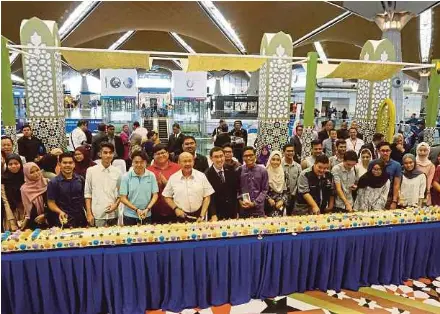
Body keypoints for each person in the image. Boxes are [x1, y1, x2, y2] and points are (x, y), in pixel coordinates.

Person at [163, 152, 214, 222]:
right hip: (181, 216)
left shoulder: (201, 176)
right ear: (179, 163)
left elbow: (207, 196)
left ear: (193, 162)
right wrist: (175, 209)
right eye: (184, 161)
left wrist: (202, 215)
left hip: (199, 215)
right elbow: (166, 196)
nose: (187, 164)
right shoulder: (173, 178)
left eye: (190, 161)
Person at [85, 143, 121, 227]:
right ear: (99, 154)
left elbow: (121, 193)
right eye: (105, 152)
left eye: (110, 153)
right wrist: (89, 213)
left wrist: (116, 205)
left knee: (114, 239)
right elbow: (88, 194)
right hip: (97, 215)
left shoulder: (117, 172)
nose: (108, 155)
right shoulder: (91, 171)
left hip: (113, 214)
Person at [47, 153, 88, 228]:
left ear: (74, 164)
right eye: (65, 163)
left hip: (81, 218)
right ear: (59, 164)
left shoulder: (80, 179)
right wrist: (59, 211)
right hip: (63, 219)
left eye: (70, 162)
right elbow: (51, 203)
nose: (68, 165)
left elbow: (84, 198)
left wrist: (89, 213)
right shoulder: (53, 182)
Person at [120, 151, 159, 225]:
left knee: (146, 236)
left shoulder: (151, 176)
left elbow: (155, 194)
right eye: (136, 162)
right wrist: (136, 209)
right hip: (129, 216)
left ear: (146, 163)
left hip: (146, 214)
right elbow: (122, 198)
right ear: (132, 163)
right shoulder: (126, 177)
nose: (139, 165)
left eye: (142, 162)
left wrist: (147, 209)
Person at [147, 144, 181, 224]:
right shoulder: (148, 171)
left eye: (163, 152)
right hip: (155, 210)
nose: (161, 155)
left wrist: (167, 184)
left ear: (168, 154)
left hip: (175, 209)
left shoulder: (178, 168)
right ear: (153, 156)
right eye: (158, 154)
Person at [205, 147, 239, 220]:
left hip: (232, 213)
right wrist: (213, 214)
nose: (219, 159)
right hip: (216, 215)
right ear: (211, 158)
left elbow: (234, 192)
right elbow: (209, 197)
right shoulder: (207, 174)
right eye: (216, 157)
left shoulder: (231, 170)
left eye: (221, 156)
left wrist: (237, 211)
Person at [20, 162, 53, 230]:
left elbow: (55, 202)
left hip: (50, 218)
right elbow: (28, 209)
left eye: (37, 170)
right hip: (35, 221)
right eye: (31, 172)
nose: (36, 173)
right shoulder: (24, 189)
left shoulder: (47, 182)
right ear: (26, 174)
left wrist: (45, 215)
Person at [373, 142, 401, 209]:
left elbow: (396, 184)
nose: (385, 153)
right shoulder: (372, 163)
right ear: (378, 151)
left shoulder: (396, 165)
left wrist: (394, 201)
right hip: (374, 197)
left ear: (390, 151)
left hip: (389, 198)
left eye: (387, 151)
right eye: (383, 151)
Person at [1, 154, 25, 231]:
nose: (13, 166)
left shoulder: (25, 176)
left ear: (20, 164)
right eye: (10, 164)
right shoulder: (3, 179)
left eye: (16, 163)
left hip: (25, 212)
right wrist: (11, 220)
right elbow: (5, 201)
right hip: (10, 212)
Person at [265, 151, 289, 217]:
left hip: (280, 205)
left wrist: (282, 201)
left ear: (280, 161)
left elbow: (288, 191)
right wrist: (268, 199)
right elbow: (261, 189)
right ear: (270, 160)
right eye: (273, 159)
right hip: (267, 206)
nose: (275, 162)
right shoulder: (264, 173)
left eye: (278, 160)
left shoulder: (284, 173)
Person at [281, 144, 302, 216]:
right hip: (280, 197)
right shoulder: (279, 165)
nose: (290, 153)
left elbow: (299, 182)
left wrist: (293, 194)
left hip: (294, 196)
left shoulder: (298, 166)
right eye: (288, 151)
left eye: (292, 151)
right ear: (283, 152)